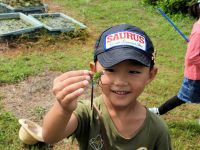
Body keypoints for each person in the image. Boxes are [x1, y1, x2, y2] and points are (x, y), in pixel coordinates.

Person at [42, 24, 172, 150]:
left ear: (151, 75)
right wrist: (63, 109)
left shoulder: (158, 129)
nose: (120, 82)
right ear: (94, 70)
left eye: (133, 72)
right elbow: (50, 137)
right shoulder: (87, 113)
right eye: (110, 70)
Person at [149, 1, 200, 115]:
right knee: (182, 96)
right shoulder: (199, 31)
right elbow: (192, 57)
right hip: (196, 75)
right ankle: (158, 111)